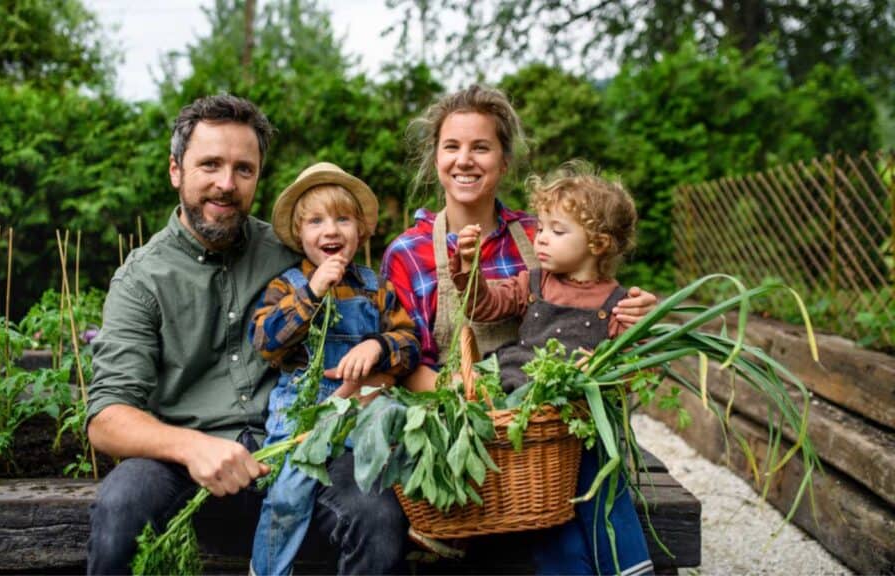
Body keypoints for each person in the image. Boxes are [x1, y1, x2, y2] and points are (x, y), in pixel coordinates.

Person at [85, 96, 407, 575]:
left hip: (301, 446)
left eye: (243, 169)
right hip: (184, 464)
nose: (226, 184)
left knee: (376, 514)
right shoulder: (142, 280)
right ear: (176, 170)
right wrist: (193, 447)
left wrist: (376, 368)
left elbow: (374, 319)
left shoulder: (292, 253)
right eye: (209, 165)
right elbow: (106, 420)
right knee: (120, 504)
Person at [379, 85, 657, 573]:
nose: (465, 160)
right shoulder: (408, 252)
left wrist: (631, 314)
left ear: (504, 161)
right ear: (437, 157)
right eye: (452, 147)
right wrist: (475, 405)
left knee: (567, 531)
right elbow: (404, 365)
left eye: (481, 147)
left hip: (544, 452)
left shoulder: (543, 235)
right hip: (463, 442)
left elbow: (594, 304)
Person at [452, 161, 653, 574]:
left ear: (597, 243)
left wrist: (640, 332)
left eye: (557, 231)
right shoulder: (535, 282)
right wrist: (469, 269)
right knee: (548, 517)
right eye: (541, 227)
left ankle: (629, 567)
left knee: (603, 493)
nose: (541, 239)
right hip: (531, 421)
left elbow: (636, 370)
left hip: (581, 425)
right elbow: (484, 305)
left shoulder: (617, 303)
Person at [248, 162, 420, 576]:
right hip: (303, 415)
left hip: (362, 411)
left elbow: (410, 345)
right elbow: (265, 341)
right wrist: (312, 293)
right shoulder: (288, 285)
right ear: (299, 233)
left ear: (361, 231)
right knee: (287, 494)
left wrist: (379, 346)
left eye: (343, 219)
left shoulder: (376, 287)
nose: (331, 230)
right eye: (316, 221)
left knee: (393, 476)